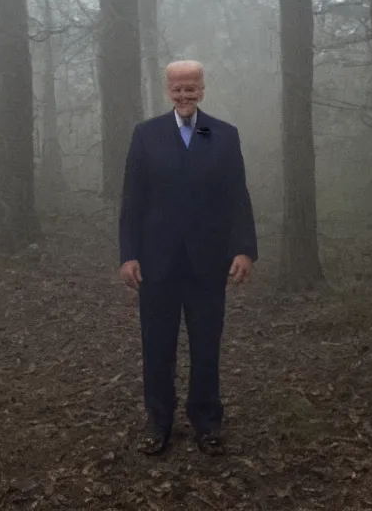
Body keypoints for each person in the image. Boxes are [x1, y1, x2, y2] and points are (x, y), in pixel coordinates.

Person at [118, 60, 258, 456]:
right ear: (168, 91)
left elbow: (237, 197)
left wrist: (245, 248)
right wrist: (128, 254)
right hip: (156, 263)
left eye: (191, 87)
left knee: (206, 346)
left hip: (207, 262)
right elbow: (132, 200)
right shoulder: (147, 135)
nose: (185, 95)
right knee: (158, 346)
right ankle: (158, 421)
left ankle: (207, 421)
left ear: (202, 89)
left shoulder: (223, 135)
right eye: (178, 89)